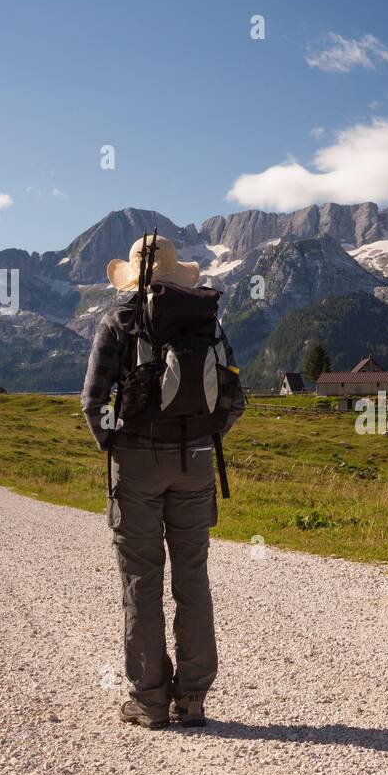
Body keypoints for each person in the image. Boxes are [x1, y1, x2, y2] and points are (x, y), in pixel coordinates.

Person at [81, 235, 244, 729]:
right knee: (192, 578)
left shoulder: (118, 320)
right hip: (195, 463)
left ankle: (150, 701)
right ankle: (192, 698)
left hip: (135, 465)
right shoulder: (207, 320)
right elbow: (234, 400)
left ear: (132, 277)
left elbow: (93, 403)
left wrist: (115, 447)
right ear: (177, 275)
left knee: (141, 582)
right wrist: (200, 439)